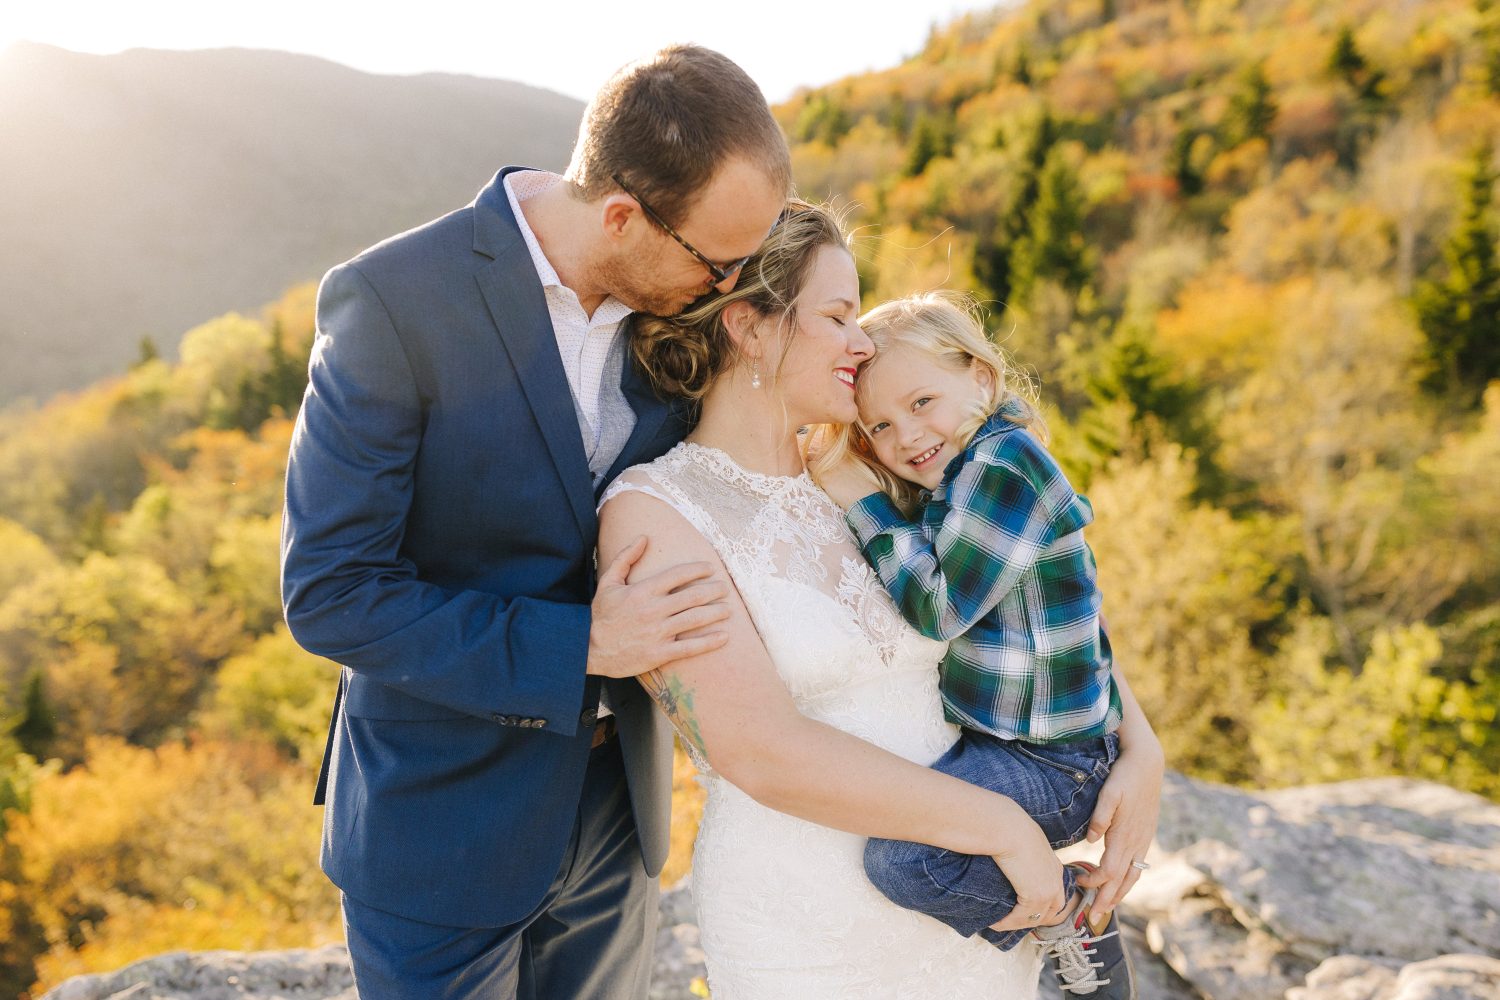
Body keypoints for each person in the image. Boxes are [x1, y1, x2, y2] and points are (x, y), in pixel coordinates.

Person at [280, 45, 790, 999]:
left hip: (617, 817)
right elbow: (331, 592)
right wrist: (579, 644)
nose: (730, 288)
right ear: (622, 216)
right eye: (720, 263)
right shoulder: (394, 302)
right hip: (439, 825)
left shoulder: (676, 305)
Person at [596, 202, 1164, 998]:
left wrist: (1141, 747)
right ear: (751, 328)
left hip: (965, 916)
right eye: (837, 316)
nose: (862, 344)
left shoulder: (874, 472)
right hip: (812, 928)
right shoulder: (658, 511)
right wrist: (998, 824)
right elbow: (756, 751)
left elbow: (1038, 600)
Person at [811, 292, 1159, 998]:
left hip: (1056, 766)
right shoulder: (959, 473)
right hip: (1008, 745)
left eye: (922, 401)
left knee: (904, 859)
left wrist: (862, 502)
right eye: (878, 423)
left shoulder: (1005, 467)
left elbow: (939, 611)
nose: (905, 435)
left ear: (981, 376)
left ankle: (1072, 914)